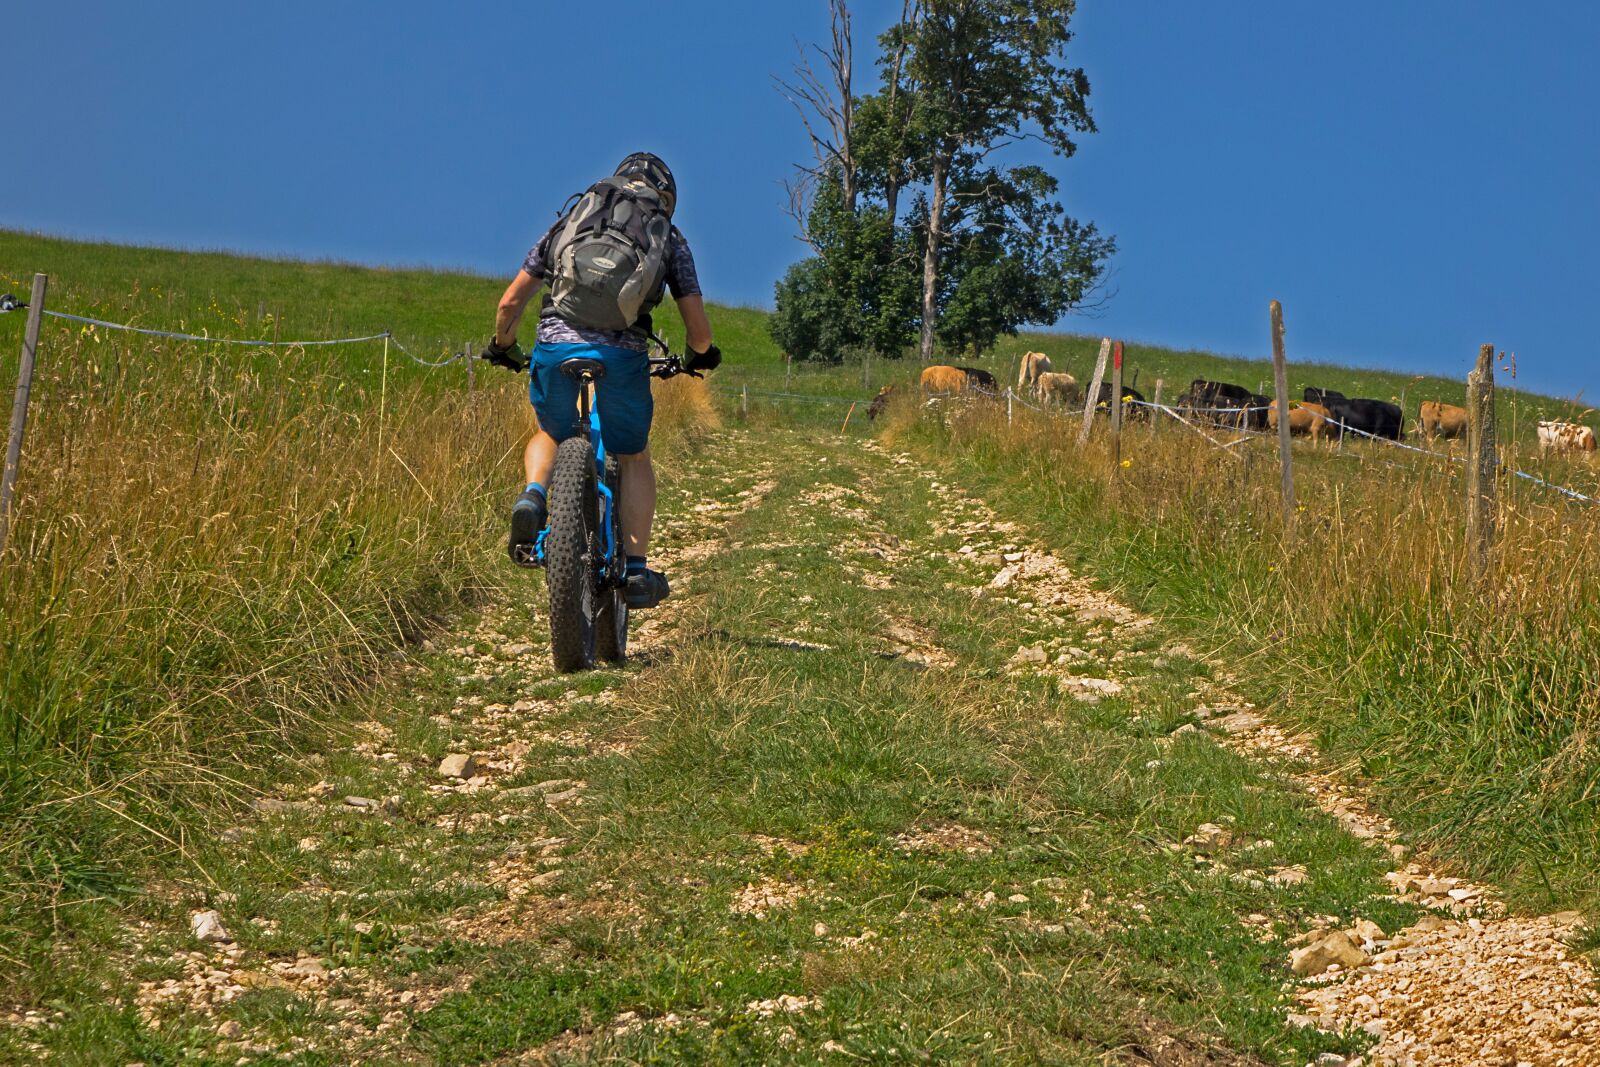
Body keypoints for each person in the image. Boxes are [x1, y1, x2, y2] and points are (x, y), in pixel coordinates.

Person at [482, 152, 720, 609]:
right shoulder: (668, 235)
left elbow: (510, 303)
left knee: (551, 432)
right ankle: (634, 567)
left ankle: (534, 495)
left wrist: (502, 346)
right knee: (632, 453)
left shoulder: (574, 218)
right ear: (666, 197)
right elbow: (699, 331)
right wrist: (700, 357)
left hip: (555, 345)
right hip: (623, 353)